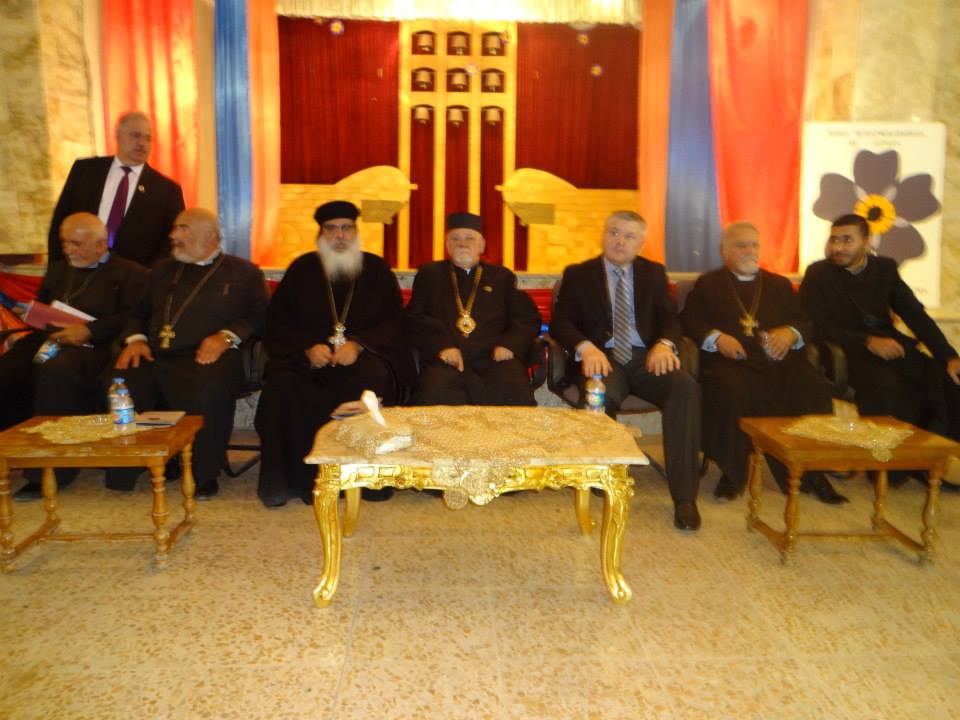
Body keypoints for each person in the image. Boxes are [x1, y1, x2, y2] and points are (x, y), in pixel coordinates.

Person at [254, 201, 415, 507]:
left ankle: (365, 481)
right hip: (307, 362)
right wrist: (307, 347)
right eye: (331, 229)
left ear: (355, 232)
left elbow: (394, 321)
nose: (340, 235)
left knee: (373, 378)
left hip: (360, 360)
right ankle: (287, 482)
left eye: (346, 228)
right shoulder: (302, 268)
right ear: (321, 234)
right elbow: (276, 322)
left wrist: (359, 345)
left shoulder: (376, 269)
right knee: (281, 386)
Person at [550, 210, 702, 531]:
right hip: (601, 357)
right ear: (604, 235)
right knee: (601, 393)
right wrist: (585, 347)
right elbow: (561, 322)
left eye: (629, 236)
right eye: (614, 233)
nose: (620, 241)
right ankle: (600, 474)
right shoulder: (579, 274)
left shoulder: (653, 273)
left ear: (640, 243)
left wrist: (665, 344)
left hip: (646, 358)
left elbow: (670, 319)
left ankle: (685, 497)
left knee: (685, 388)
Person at [680, 222, 848, 504]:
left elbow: (805, 321)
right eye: (741, 245)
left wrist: (790, 333)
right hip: (732, 361)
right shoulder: (709, 284)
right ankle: (732, 472)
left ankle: (811, 471)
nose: (750, 251)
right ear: (724, 251)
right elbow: (689, 320)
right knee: (728, 388)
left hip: (778, 360)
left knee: (813, 387)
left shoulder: (778, 284)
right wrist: (717, 337)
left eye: (754, 245)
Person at [107, 208, 268, 499]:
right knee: (124, 379)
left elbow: (260, 317)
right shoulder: (161, 271)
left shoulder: (244, 272)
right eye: (175, 228)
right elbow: (137, 312)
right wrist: (136, 339)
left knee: (208, 387)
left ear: (210, 237)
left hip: (211, 356)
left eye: (183, 229)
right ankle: (139, 464)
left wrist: (226, 337)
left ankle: (204, 473)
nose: (173, 235)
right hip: (156, 354)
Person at [801, 213, 960, 489]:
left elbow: (915, 314)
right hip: (847, 353)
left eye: (847, 240)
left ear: (866, 241)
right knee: (890, 387)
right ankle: (888, 468)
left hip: (892, 347)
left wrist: (949, 356)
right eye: (834, 240)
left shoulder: (884, 269)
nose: (838, 247)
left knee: (946, 380)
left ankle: (934, 458)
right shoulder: (818, 274)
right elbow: (814, 326)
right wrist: (867, 341)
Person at [1, 213, 147, 499]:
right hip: (52, 338)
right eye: (65, 243)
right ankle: (10, 454)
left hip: (97, 346)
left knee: (56, 371)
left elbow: (133, 317)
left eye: (76, 244)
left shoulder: (131, 273)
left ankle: (50, 472)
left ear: (101, 244)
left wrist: (90, 330)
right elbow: (44, 306)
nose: (68, 250)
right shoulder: (59, 269)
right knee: (8, 369)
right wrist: (32, 314)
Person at [407, 212, 540, 407]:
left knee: (513, 391)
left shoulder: (501, 276)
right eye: (455, 238)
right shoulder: (430, 274)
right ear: (447, 245)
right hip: (448, 358)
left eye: (469, 238)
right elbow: (414, 317)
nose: (462, 243)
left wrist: (509, 345)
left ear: (482, 245)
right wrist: (442, 345)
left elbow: (526, 318)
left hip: (494, 358)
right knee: (436, 392)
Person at [48, 111, 185, 268]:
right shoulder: (85, 171)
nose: (142, 143)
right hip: (78, 271)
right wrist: (57, 269)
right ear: (118, 136)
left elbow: (170, 244)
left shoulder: (167, 190)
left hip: (135, 277)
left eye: (148, 138)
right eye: (136, 135)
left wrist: (149, 276)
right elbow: (60, 220)